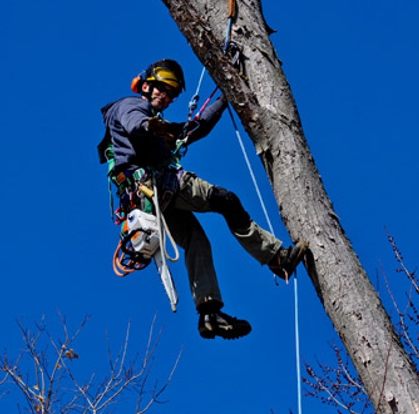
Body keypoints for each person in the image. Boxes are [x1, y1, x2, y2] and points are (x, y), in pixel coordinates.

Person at [98, 59, 308, 340]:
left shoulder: (156, 124)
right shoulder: (132, 107)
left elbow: (195, 128)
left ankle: (209, 314)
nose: (168, 97)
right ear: (146, 86)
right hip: (157, 184)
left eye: (172, 94)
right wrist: (152, 126)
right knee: (226, 200)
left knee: (197, 242)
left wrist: (225, 96)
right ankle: (276, 257)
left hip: (153, 199)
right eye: (164, 89)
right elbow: (137, 125)